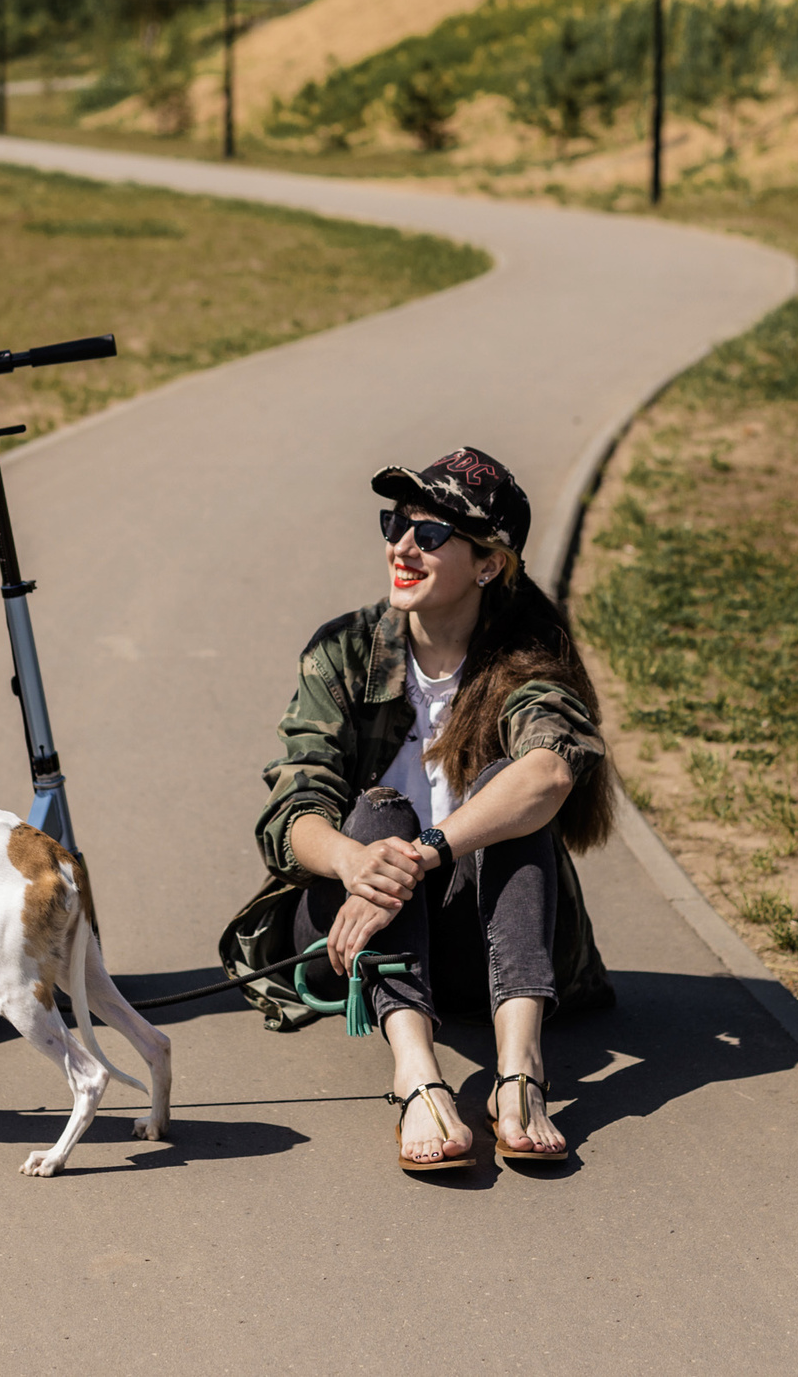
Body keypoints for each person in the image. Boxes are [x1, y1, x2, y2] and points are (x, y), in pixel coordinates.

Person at [219, 448, 618, 1170]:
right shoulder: (345, 650)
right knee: (379, 812)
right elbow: (293, 807)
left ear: (489, 564)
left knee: (509, 798)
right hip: (352, 931)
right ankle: (416, 1073)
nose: (401, 546)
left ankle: (519, 1072)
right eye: (394, 524)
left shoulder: (529, 659)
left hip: (482, 941)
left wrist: (426, 852)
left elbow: (550, 773)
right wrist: (357, 862)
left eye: (429, 534)